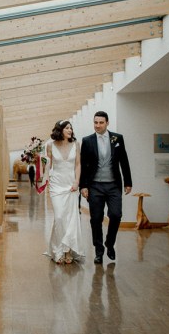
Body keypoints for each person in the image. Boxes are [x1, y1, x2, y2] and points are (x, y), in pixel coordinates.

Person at [80, 111, 132, 264]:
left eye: (101, 122)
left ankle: (109, 243)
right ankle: (98, 250)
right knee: (96, 219)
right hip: (94, 185)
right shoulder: (87, 141)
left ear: (107, 123)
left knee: (116, 215)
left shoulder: (117, 138)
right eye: (95, 122)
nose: (98, 125)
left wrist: (128, 182)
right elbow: (83, 165)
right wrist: (83, 186)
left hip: (113, 185)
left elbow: (124, 161)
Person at [40, 120, 85, 264]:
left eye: (71, 128)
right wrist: (42, 169)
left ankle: (68, 250)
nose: (70, 130)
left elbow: (78, 164)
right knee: (59, 217)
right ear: (60, 130)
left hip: (71, 185)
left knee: (70, 218)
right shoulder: (50, 145)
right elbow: (48, 166)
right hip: (56, 185)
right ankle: (57, 249)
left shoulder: (76, 144)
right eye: (67, 128)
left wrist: (77, 182)